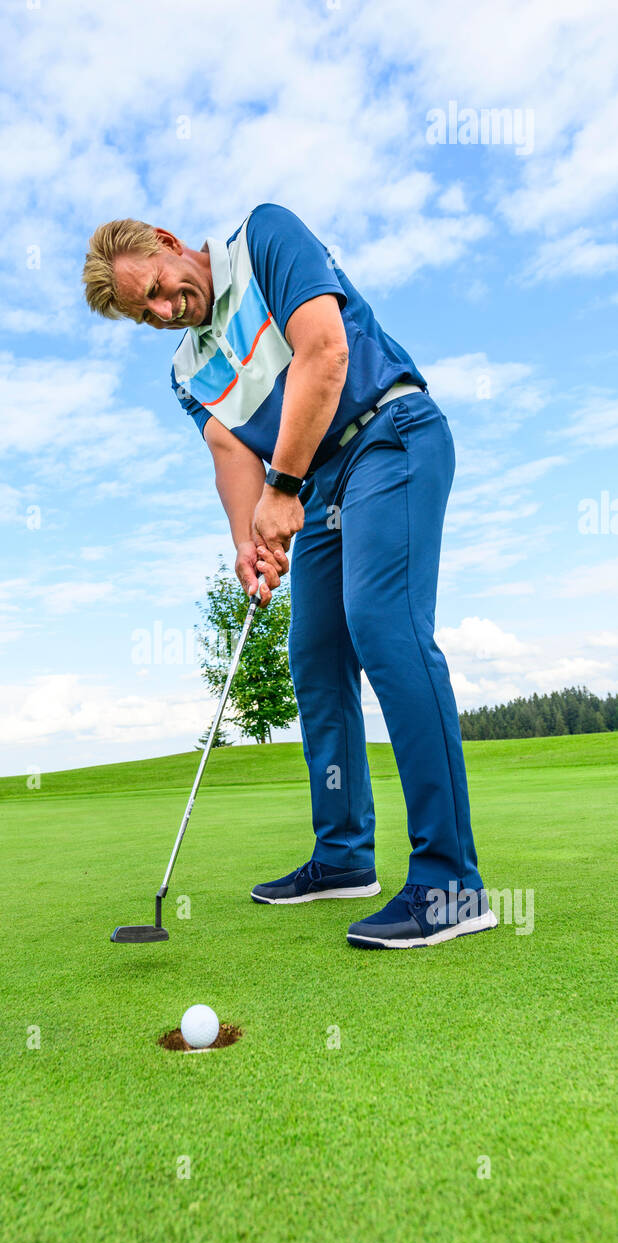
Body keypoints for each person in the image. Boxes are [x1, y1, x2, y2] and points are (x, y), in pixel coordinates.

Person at [82, 204, 496, 949]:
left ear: (171, 245)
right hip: (314, 484)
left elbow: (325, 353)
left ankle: (450, 884)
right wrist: (249, 544)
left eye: (161, 286)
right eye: (147, 312)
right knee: (313, 657)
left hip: (389, 434)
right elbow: (229, 451)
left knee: (383, 624)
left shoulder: (263, 237)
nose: (166, 308)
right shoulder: (185, 371)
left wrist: (283, 488)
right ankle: (343, 859)